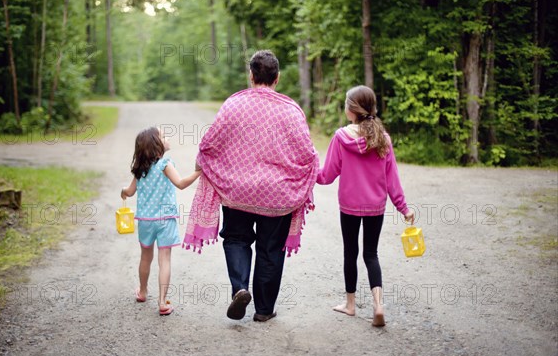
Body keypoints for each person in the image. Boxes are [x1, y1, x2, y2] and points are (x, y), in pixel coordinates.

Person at [183, 50, 319, 322]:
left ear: (251, 76)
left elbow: (209, 143)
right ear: (277, 78)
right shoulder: (291, 111)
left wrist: (204, 164)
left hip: (237, 190)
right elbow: (307, 154)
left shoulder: (233, 105)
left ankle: (240, 288)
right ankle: (265, 310)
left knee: (236, 239)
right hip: (278, 195)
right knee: (270, 250)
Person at [316, 85, 415, 327]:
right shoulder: (383, 138)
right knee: (371, 254)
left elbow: (327, 176)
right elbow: (392, 180)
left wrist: (307, 171)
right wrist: (404, 208)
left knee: (351, 253)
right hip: (375, 207)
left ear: (351, 109)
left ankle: (350, 305)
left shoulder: (341, 138)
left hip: (349, 206)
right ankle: (378, 306)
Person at [121, 126, 201, 316]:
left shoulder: (140, 169)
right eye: (164, 137)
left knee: (145, 257)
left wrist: (123, 191)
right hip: (165, 219)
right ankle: (162, 302)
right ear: (156, 146)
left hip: (146, 220)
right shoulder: (165, 163)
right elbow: (180, 184)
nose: (167, 138)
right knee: (164, 259)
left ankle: (142, 291)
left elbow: (130, 192)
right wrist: (199, 172)